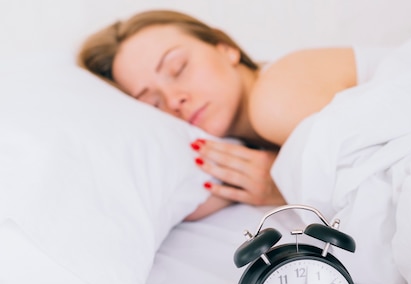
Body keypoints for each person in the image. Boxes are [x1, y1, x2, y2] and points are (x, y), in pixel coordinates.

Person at [78, 9, 372, 220]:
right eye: (153, 103)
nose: (173, 100)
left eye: (178, 68)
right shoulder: (238, 153)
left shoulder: (277, 94)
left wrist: (284, 183)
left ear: (226, 48)